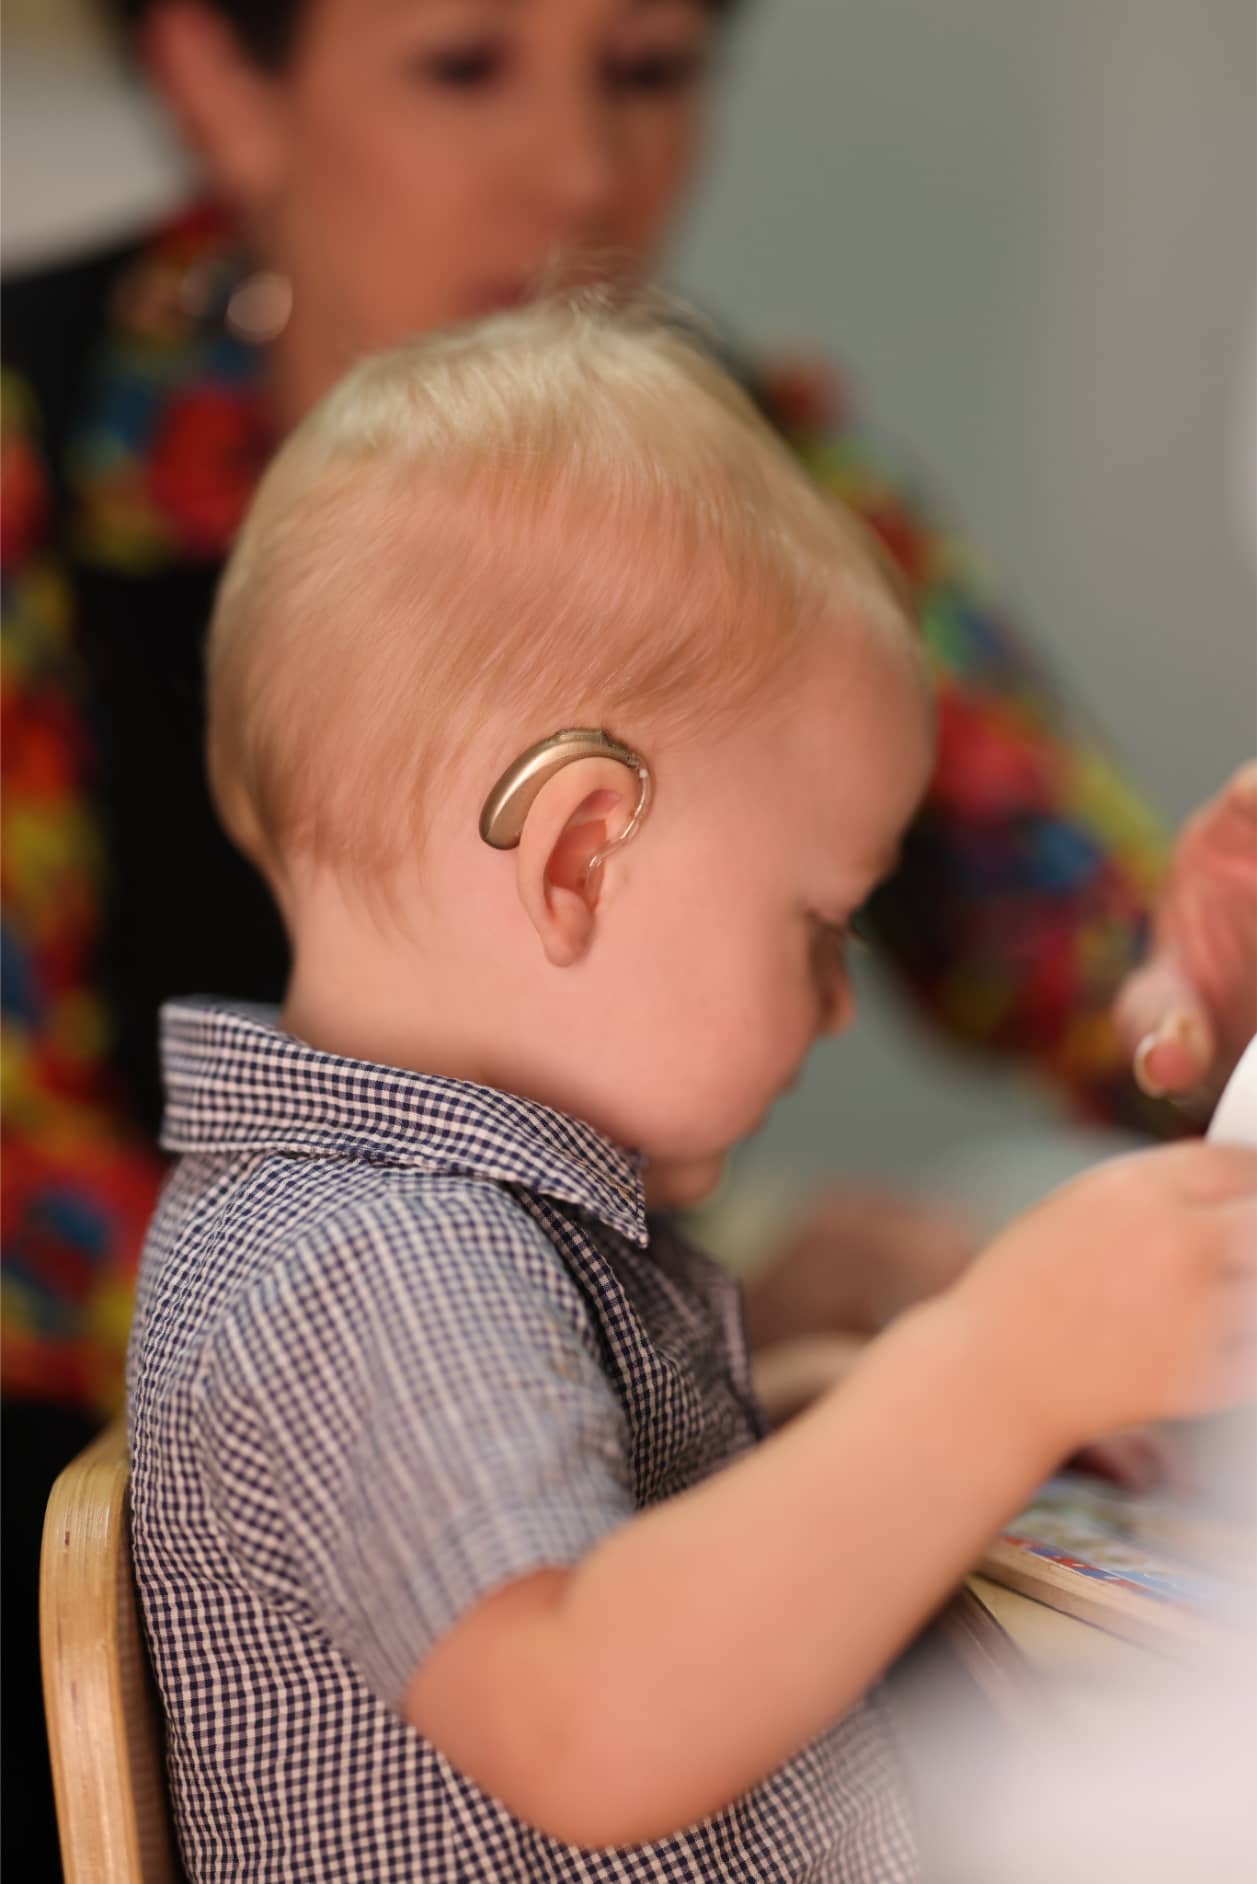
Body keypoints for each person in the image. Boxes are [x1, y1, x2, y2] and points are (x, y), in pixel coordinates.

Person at [129, 297, 1257, 1883]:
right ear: (584, 854)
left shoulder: (429, 1226)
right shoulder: (368, 1261)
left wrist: (833, 1419)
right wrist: (994, 1374)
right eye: (818, 921)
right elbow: (584, 1708)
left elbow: (598, 1524)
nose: (838, 999)